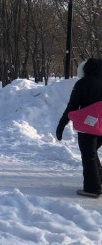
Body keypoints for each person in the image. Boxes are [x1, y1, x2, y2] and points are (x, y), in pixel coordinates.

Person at [57, 59, 102, 198]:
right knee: (93, 153)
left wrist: (61, 125)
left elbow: (72, 106)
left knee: (89, 156)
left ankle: (92, 188)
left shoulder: (82, 83)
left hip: (88, 127)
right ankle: (99, 180)